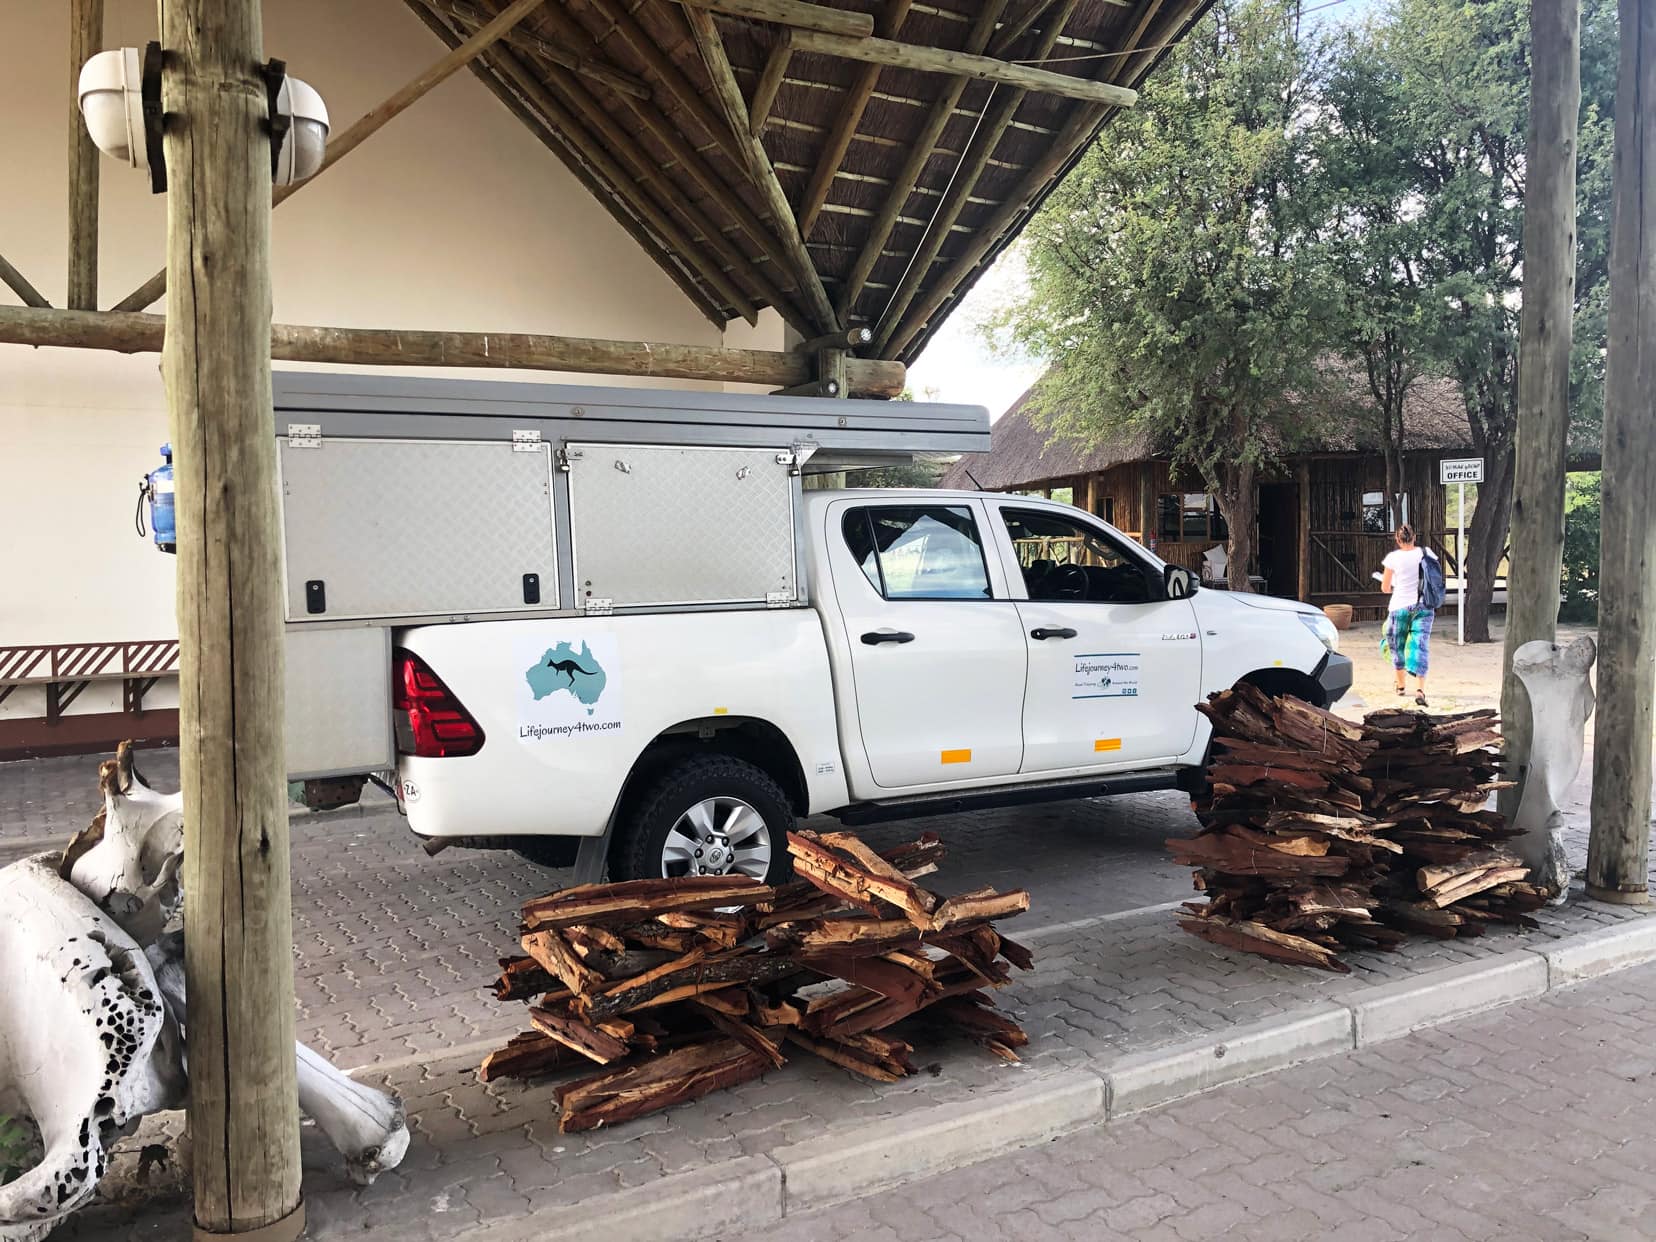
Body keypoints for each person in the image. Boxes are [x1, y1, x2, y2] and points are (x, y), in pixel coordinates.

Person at [1380, 524, 1434, 705]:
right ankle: (1420, 690)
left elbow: (1385, 587)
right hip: (1423, 606)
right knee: (1421, 645)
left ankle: (1401, 686)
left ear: (1397, 539)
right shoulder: (1426, 553)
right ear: (1414, 537)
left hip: (1399, 606)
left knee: (1397, 645)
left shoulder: (1393, 558)